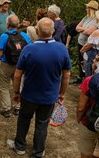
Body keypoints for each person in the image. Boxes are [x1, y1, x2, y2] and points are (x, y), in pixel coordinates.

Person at [7, 17, 71, 157]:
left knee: (24, 118)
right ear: (53, 31)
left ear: (36, 30)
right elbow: (66, 75)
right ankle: (38, 152)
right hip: (49, 96)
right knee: (42, 124)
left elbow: (18, 75)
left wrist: (16, 92)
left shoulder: (29, 49)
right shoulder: (62, 49)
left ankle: (20, 146)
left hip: (29, 94)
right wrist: (62, 93)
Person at [0, 14, 31, 117]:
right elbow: (29, 50)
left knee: (4, 86)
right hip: (20, 65)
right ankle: (18, 107)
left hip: (6, 64)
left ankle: (6, 109)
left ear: (8, 25)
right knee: (18, 84)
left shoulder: (4, 36)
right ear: (17, 25)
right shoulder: (24, 36)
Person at [80, 9, 99, 77]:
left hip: (93, 54)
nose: (95, 19)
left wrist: (82, 50)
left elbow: (89, 45)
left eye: (96, 17)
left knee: (90, 73)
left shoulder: (98, 32)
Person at [75, 0, 99, 82]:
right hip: (80, 43)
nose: (86, 9)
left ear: (91, 9)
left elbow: (90, 32)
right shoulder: (86, 17)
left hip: (88, 45)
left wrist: (83, 30)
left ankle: (87, 81)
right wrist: (85, 29)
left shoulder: (97, 20)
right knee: (80, 61)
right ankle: (80, 77)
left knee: (87, 63)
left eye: (87, 8)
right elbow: (77, 27)